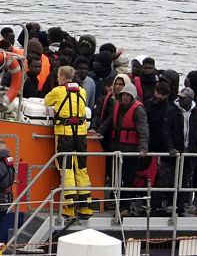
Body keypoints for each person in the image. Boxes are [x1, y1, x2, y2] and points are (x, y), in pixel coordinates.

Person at [43, 65, 93, 220]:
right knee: (81, 167)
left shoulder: (58, 91)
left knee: (66, 167)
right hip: (81, 135)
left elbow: (46, 101)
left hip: (65, 134)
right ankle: (85, 207)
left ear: (62, 77)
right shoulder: (82, 91)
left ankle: (69, 207)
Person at [99, 79, 152, 215]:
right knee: (115, 177)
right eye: (123, 95)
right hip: (116, 148)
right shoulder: (117, 106)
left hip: (130, 151)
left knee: (127, 180)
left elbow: (143, 130)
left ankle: (125, 207)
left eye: (128, 95)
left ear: (132, 96)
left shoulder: (138, 110)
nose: (125, 97)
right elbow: (110, 120)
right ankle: (115, 202)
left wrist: (143, 148)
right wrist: (99, 131)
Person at [167, 87, 197, 214]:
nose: (179, 99)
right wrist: (170, 147)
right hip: (176, 151)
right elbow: (167, 131)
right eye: (179, 97)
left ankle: (181, 205)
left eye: (183, 98)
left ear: (190, 99)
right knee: (171, 177)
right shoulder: (172, 111)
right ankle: (170, 203)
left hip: (189, 151)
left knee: (186, 178)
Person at [144, 80, 177, 215]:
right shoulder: (147, 105)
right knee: (145, 176)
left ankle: (156, 204)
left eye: (163, 94)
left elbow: (169, 131)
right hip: (148, 145)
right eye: (158, 92)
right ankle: (143, 200)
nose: (159, 96)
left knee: (162, 178)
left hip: (162, 148)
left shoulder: (169, 110)